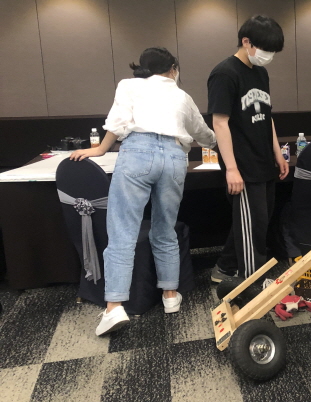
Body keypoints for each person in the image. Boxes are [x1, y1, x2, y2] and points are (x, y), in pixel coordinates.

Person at [70, 47, 217, 336]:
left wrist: (100, 149)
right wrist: (216, 142)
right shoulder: (182, 96)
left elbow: (117, 123)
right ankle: (170, 295)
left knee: (123, 231)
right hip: (175, 157)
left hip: (138, 152)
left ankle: (114, 307)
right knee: (165, 228)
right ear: (173, 69)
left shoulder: (129, 85)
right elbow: (203, 133)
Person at [207, 15, 289, 282]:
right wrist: (231, 169)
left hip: (264, 160)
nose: (269, 56)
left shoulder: (260, 72)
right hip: (243, 164)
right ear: (246, 42)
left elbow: (267, 116)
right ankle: (252, 283)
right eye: (266, 50)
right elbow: (219, 123)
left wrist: (278, 153)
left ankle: (224, 268)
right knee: (253, 227)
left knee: (256, 221)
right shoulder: (225, 73)